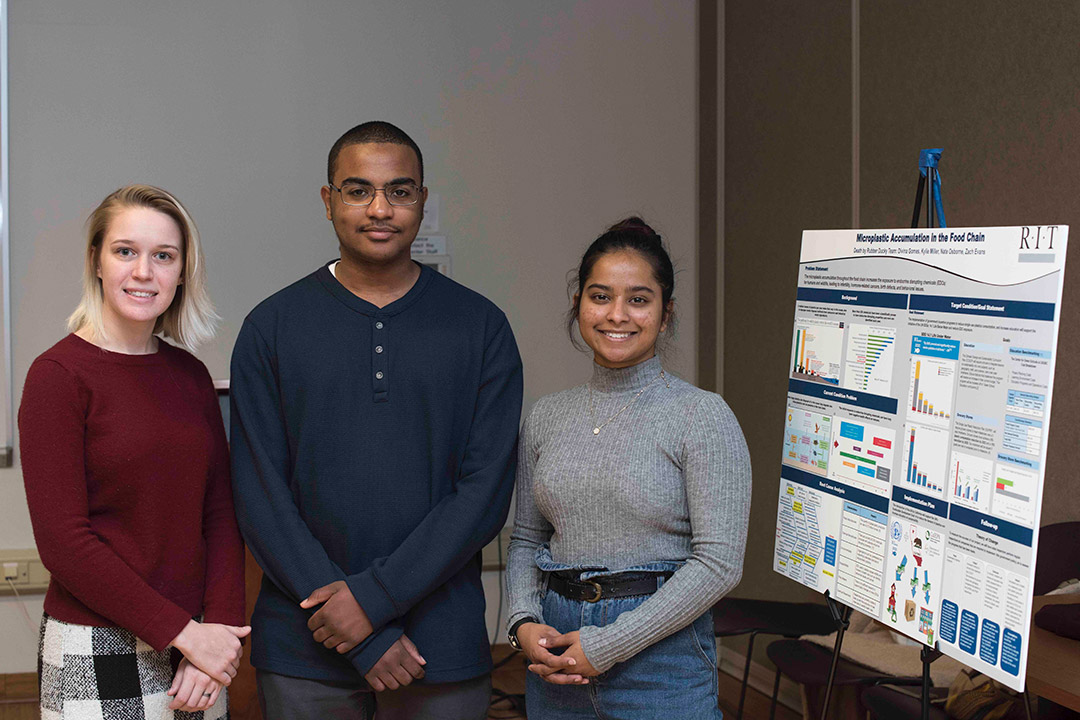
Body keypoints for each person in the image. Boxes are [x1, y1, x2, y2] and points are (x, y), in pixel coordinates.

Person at [230, 121, 523, 720]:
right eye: (358, 190)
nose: (380, 208)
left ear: (422, 199)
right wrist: (357, 628)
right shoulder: (271, 327)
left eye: (400, 191)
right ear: (328, 199)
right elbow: (260, 494)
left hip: (438, 645)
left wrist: (375, 599)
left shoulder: (481, 327)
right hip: (305, 645)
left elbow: (485, 492)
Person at [505, 218, 752, 719]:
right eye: (600, 296)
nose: (617, 314)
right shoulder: (547, 416)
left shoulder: (702, 415)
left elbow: (719, 564)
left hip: (662, 660)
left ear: (665, 315)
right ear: (578, 305)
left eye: (638, 299)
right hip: (556, 658)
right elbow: (527, 540)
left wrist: (609, 644)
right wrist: (522, 622)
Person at [19, 184, 248, 719]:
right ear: (96, 261)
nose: (143, 272)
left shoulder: (190, 376)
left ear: (182, 272)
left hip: (196, 651)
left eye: (163, 256)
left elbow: (219, 515)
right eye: (125, 251)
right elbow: (64, 543)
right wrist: (187, 634)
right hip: (97, 643)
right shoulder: (58, 377)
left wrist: (216, 637)